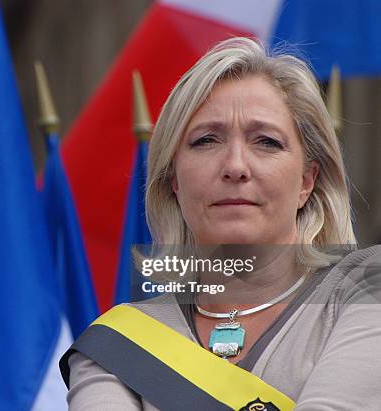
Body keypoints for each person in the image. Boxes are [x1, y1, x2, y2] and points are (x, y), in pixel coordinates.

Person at [59, 37, 381, 410]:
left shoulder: (366, 288)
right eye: (206, 140)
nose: (235, 167)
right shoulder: (115, 344)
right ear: (174, 180)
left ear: (307, 181)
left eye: (266, 142)